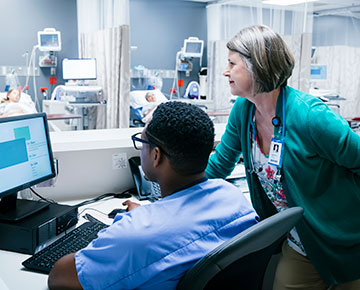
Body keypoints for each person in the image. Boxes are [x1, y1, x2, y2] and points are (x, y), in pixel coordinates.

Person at [205, 24, 360, 290]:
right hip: (301, 242)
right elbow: (219, 164)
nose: (225, 71)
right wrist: (169, 201)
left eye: (232, 63)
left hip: (344, 241)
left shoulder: (311, 117)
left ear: (257, 66)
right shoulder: (244, 111)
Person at [48, 101, 258, 290]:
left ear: (156, 155)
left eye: (142, 142)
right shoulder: (234, 198)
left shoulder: (134, 236)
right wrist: (146, 216)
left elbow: (59, 277)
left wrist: (129, 227)